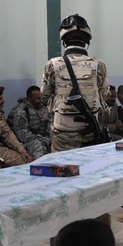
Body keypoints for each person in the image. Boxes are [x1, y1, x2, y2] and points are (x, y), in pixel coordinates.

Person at [42, 14, 109, 151]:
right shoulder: (99, 65)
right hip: (90, 129)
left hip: (62, 130)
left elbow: (44, 96)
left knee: (61, 167)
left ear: (64, 41)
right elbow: (105, 95)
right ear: (87, 41)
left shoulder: (52, 64)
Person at [7, 86, 51, 160]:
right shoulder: (21, 111)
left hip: (43, 139)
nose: (41, 100)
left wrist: (49, 139)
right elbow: (22, 136)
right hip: (26, 142)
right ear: (30, 99)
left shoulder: (45, 108)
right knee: (37, 146)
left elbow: (50, 126)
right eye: (38, 98)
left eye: (42, 97)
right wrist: (42, 139)